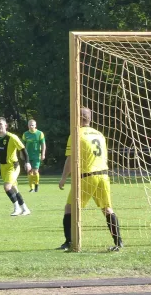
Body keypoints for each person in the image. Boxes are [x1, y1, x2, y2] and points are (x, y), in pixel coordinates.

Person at [58, 107, 123, 252]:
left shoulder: (76, 134)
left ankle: (69, 242)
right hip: (104, 175)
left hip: (88, 176)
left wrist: (63, 178)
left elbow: (70, 159)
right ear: (89, 118)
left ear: (79, 117)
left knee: (70, 208)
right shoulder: (99, 134)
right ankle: (119, 242)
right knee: (107, 209)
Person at [22, 120, 46, 192]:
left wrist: (43, 154)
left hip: (36, 156)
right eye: (29, 125)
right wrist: (21, 154)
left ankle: (36, 185)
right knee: (29, 171)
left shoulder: (40, 133)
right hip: (27, 156)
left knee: (35, 171)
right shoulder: (25, 134)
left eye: (32, 125)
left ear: (35, 125)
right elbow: (22, 146)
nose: (31, 126)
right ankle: (32, 188)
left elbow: (43, 145)